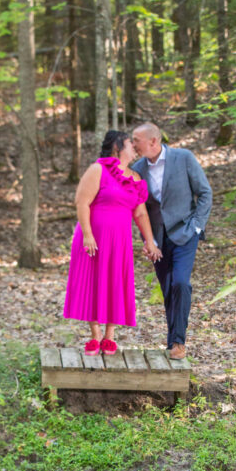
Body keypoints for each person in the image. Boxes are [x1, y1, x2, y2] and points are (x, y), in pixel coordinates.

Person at [63, 130, 162, 356]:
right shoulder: (98, 169)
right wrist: (87, 234)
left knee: (114, 282)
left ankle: (110, 335)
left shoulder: (135, 177)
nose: (134, 147)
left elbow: (141, 214)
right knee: (93, 282)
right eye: (130, 143)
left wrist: (150, 242)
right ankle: (95, 335)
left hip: (119, 241)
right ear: (118, 147)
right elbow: (81, 203)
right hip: (94, 238)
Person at [131, 123, 212, 360]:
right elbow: (139, 209)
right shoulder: (137, 169)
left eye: (137, 140)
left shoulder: (183, 158)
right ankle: (172, 343)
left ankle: (179, 342)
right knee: (168, 289)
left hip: (185, 233)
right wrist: (147, 240)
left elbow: (205, 193)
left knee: (180, 284)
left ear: (153, 141)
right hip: (157, 240)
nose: (133, 144)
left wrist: (197, 225)